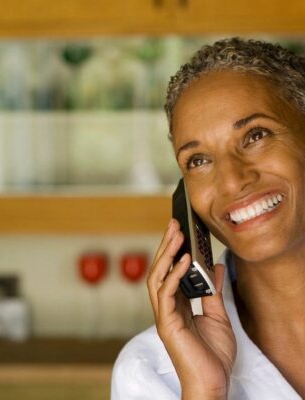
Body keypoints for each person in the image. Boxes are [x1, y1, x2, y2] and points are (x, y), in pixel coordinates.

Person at [111, 37, 305, 399]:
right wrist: (205, 389)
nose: (232, 181)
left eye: (255, 135)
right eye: (198, 160)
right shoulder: (151, 369)